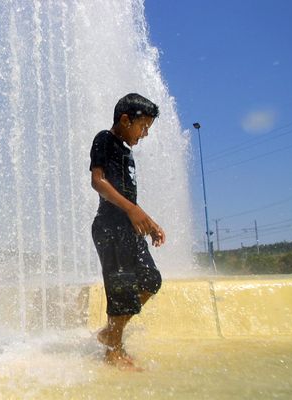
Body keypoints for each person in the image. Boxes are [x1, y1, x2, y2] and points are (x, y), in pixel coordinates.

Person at [89, 93, 166, 371]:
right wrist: (133, 211)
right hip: (110, 227)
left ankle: (111, 333)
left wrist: (149, 221)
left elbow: (128, 198)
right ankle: (114, 351)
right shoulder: (104, 140)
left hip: (129, 228)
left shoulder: (126, 151)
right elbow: (98, 182)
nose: (144, 134)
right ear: (125, 119)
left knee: (150, 279)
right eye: (142, 127)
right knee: (120, 288)